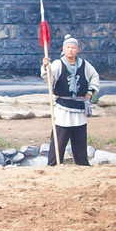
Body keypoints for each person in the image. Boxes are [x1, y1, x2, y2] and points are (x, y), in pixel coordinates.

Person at [40, 34, 99, 166]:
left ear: (77, 49)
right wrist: (45, 67)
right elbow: (49, 76)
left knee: (79, 137)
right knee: (60, 137)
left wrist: (90, 92)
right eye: (68, 47)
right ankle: (54, 163)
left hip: (79, 105)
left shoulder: (84, 64)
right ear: (64, 49)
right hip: (63, 106)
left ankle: (82, 163)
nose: (71, 50)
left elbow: (94, 76)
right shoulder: (58, 64)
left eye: (73, 47)